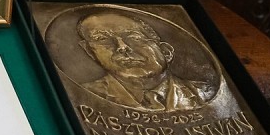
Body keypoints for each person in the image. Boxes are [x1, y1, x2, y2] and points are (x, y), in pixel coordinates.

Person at [76, 9, 216, 112]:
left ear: (166, 52)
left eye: (134, 37)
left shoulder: (203, 93)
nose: (122, 47)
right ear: (91, 52)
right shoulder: (82, 95)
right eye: (101, 39)